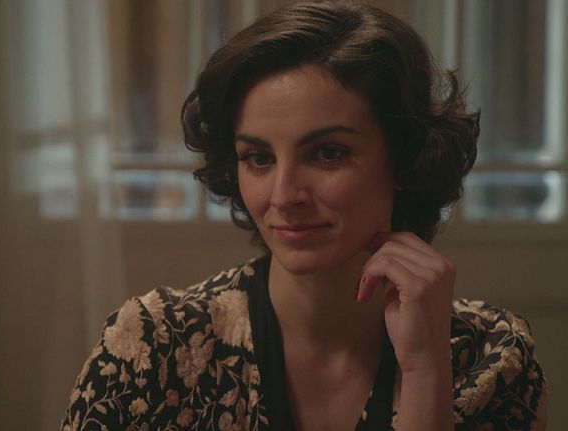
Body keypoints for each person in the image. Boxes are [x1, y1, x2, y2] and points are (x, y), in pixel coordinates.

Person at [60, 2, 548, 430]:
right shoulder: (151, 347)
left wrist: (424, 370)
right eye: (258, 158)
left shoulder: (491, 359)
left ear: (404, 157)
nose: (284, 195)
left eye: (327, 153)